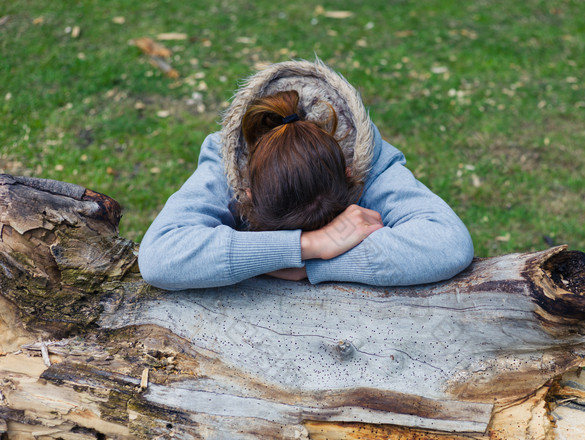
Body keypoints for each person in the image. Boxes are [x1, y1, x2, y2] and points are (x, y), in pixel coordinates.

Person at [138, 60, 474, 290]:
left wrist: (307, 268)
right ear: (247, 193)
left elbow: (447, 244)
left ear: (350, 176)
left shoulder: (364, 155)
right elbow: (160, 258)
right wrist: (310, 245)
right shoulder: (228, 163)